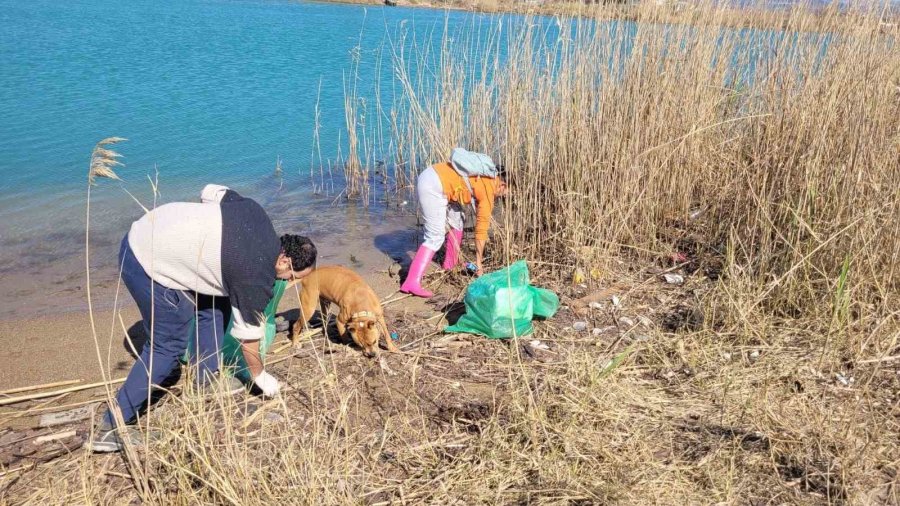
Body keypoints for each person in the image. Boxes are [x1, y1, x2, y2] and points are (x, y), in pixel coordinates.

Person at [89, 184, 317, 453]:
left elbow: (211, 191)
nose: (290, 282)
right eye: (294, 277)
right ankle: (110, 426)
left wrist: (200, 236)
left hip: (151, 227)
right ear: (285, 262)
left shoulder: (256, 214)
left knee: (217, 300)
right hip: (144, 260)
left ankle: (204, 381)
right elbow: (248, 341)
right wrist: (261, 377)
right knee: (167, 347)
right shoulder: (255, 280)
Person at [400, 153, 507, 298]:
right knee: (435, 237)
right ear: (503, 185)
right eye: (506, 193)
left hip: (435, 174)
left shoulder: (487, 177)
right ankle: (411, 282)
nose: (503, 196)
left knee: (458, 220)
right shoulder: (489, 190)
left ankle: (450, 263)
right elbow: (481, 231)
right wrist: (479, 264)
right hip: (434, 185)